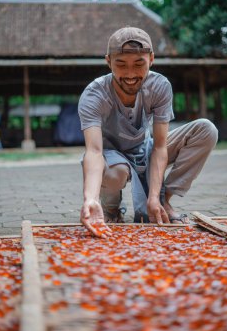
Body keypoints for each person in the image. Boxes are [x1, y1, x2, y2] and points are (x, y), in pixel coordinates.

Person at [78, 27, 218, 237]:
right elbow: (94, 152)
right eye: (121, 64)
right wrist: (90, 198)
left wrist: (153, 196)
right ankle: (109, 208)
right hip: (111, 156)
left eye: (139, 64)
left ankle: (163, 201)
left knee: (206, 129)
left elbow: (160, 146)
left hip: (145, 147)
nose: (130, 74)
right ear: (108, 62)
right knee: (116, 173)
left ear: (151, 59)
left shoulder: (159, 86)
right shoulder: (94, 95)